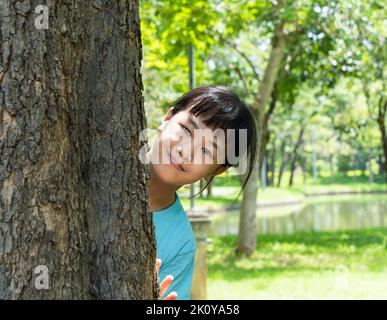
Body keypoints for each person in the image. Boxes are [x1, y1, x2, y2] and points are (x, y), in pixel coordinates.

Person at [147, 85, 258, 300]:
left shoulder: (181, 244)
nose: (185, 151)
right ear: (167, 118)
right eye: (186, 130)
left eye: (207, 150)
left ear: (216, 170)